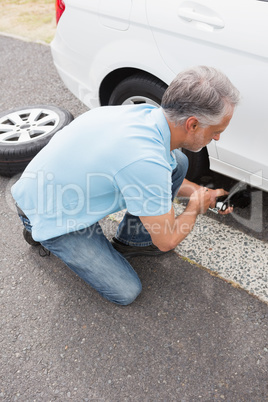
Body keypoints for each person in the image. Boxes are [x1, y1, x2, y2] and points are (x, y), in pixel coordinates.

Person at [12, 66, 240, 305]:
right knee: (126, 291)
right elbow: (167, 240)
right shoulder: (145, 160)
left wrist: (201, 193)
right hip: (49, 213)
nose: (217, 138)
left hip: (53, 186)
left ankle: (133, 241)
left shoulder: (149, 116)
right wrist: (194, 207)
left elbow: (152, 178)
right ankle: (38, 230)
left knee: (178, 162)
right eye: (216, 131)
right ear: (192, 124)